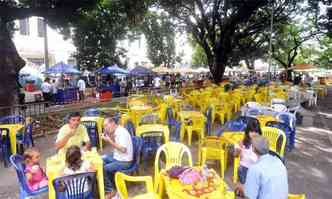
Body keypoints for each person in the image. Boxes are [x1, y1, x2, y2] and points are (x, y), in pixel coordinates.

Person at [102, 116, 133, 199]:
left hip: (125, 161)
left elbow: (123, 149)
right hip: (118, 157)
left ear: (112, 123)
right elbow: (117, 144)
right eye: (104, 126)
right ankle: (110, 183)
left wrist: (109, 141)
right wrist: (109, 137)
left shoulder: (121, 132)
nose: (105, 128)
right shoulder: (116, 130)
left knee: (105, 168)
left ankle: (112, 190)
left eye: (106, 125)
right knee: (101, 159)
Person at [233, 119, 262, 196]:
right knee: (244, 185)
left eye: (256, 132)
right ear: (247, 132)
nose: (254, 134)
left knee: (253, 187)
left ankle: (241, 191)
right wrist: (238, 150)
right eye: (251, 131)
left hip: (255, 169)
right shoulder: (242, 142)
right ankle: (240, 191)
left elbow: (262, 157)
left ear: (259, 132)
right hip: (244, 168)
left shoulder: (260, 143)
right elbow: (235, 155)